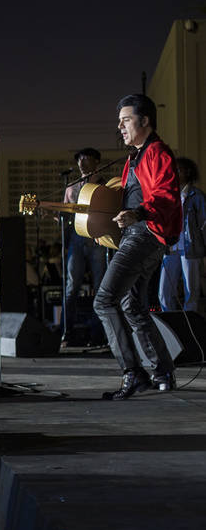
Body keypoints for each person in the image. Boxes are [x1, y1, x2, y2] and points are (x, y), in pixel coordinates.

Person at [94, 94, 181, 399]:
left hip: (145, 234)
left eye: (126, 120)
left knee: (104, 300)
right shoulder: (135, 156)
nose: (120, 126)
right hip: (138, 234)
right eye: (119, 121)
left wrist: (138, 213)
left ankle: (133, 372)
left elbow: (166, 195)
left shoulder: (158, 153)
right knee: (132, 305)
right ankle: (163, 372)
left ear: (145, 121)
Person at [60, 148, 108, 342]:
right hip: (77, 238)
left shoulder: (104, 185)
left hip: (98, 239)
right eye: (79, 158)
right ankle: (66, 332)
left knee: (100, 287)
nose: (82, 161)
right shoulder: (71, 186)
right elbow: (67, 215)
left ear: (97, 161)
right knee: (72, 287)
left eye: (86, 158)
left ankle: (98, 334)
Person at [159, 158, 206, 312]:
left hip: (190, 249)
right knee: (164, 292)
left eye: (178, 170)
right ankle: (171, 327)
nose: (174, 173)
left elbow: (204, 224)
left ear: (187, 172)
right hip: (170, 248)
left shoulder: (196, 195)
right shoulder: (167, 195)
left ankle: (191, 328)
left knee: (191, 292)